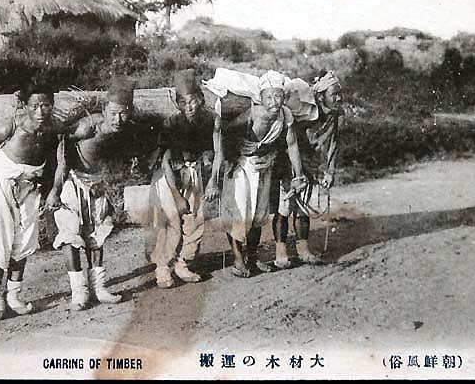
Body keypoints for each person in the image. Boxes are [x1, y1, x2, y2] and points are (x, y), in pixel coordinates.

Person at [52, 77, 155, 310]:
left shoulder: (126, 131)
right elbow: (62, 144)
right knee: (70, 234)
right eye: (113, 113)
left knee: (97, 235)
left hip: (98, 184)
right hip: (73, 180)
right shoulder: (89, 126)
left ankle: (99, 288)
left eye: (123, 114)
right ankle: (79, 292)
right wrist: (57, 187)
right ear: (104, 109)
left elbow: (123, 157)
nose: (118, 119)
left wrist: (110, 179)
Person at [0, 83, 66, 321]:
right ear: (25, 106)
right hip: (0, 184)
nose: (41, 111)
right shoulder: (11, 125)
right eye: (35, 105)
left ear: (52, 106)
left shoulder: (53, 129)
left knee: (23, 241)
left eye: (46, 105)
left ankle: (14, 295)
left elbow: (56, 162)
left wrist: (51, 189)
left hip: (30, 187)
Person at [220, 70, 307, 278]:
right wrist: (232, 158)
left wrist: (299, 174)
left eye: (278, 96)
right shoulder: (251, 114)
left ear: (284, 97)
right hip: (242, 167)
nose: (274, 101)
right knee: (240, 212)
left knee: (259, 214)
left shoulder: (285, 115)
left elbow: (292, 144)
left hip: (264, 166)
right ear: (261, 97)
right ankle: (238, 260)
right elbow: (225, 135)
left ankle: (252, 257)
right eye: (268, 96)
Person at [148, 69, 223, 288]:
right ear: (178, 104)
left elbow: (220, 153)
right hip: (170, 176)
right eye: (183, 103)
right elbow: (165, 162)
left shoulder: (212, 120)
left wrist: (213, 181)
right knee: (171, 220)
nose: (189, 107)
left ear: (201, 99)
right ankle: (163, 268)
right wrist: (176, 195)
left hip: (195, 173)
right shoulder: (172, 124)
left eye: (193, 101)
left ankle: (183, 263)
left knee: (195, 220)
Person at [271, 71, 343, 268]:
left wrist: (330, 170)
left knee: (304, 209)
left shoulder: (335, 115)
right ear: (321, 96)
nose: (339, 97)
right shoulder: (305, 112)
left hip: (310, 166)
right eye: (333, 93)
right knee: (284, 208)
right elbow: (288, 140)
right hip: (289, 164)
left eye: (340, 93)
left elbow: (333, 143)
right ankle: (281, 251)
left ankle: (303, 249)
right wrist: (295, 169)